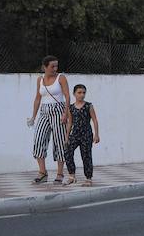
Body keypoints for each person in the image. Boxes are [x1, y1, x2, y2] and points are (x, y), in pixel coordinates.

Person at [28, 55, 71, 184]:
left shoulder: (61, 78)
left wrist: (65, 113)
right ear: (44, 67)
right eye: (52, 66)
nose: (55, 68)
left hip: (59, 110)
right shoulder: (40, 80)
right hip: (44, 111)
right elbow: (37, 98)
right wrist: (33, 116)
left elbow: (67, 96)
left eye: (56, 66)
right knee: (38, 139)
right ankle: (42, 172)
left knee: (59, 141)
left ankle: (60, 173)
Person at [64, 84, 100, 186]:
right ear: (74, 94)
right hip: (75, 134)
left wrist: (96, 135)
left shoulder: (89, 106)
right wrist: (67, 137)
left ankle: (88, 178)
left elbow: (94, 120)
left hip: (86, 134)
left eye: (84, 92)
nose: (82, 95)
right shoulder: (71, 108)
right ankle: (72, 176)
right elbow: (70, 123)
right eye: (79, 92)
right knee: (67, 151)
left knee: (86, 156)